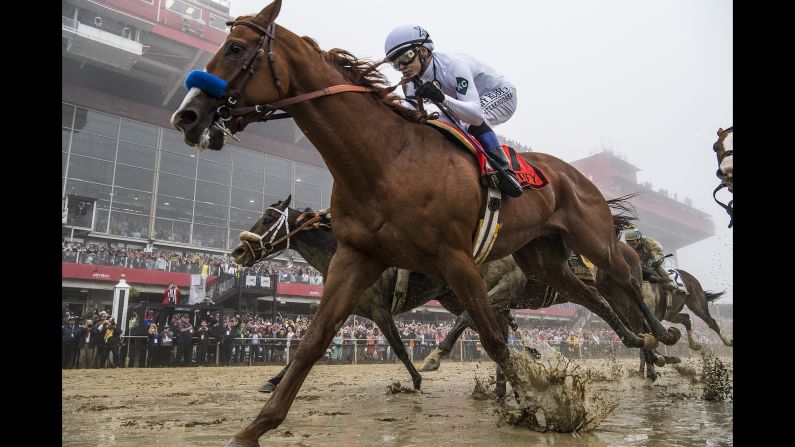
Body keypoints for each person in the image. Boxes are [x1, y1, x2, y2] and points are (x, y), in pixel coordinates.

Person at [384, 24, 522, 197]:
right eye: (395, 63)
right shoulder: (411, 82)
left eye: (406, 57)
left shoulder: (453, 66)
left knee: (466, 121)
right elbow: (409, 115)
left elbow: (475, 115)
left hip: (501, 94)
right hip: (467, 101)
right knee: (437, 121)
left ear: (423, 52)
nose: (402, 66)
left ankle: (504, 170)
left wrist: (441, 98)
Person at [624, 227, 680, 292]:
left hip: (654, 256)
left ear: (639, 240)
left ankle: (670, 281)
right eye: (629, 244)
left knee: (654, 264)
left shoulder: (648, 242)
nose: (631, 247)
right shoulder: (628, 247)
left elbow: (657, 251)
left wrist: (655, 259)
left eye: (633, 244)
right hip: (641, 260)